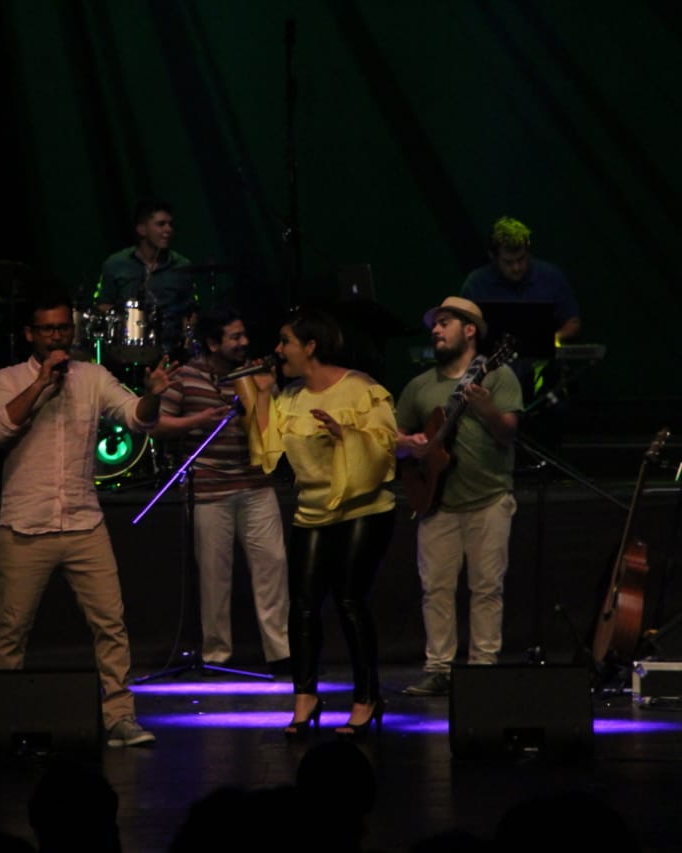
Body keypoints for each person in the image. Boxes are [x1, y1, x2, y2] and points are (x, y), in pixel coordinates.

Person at [0, 293, 177, 748]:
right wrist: (40, 385)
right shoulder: (8, 379)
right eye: (48, 329)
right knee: (11, 630)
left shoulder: (92, 377)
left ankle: (120, 718)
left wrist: (152, 396)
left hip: (83, 522)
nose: (57, 337)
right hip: (26, 525)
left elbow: (135, 418)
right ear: (30, 334)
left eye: (63, 328)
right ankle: (2, 721)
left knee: (111, 624)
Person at [244, 308, 397, 737]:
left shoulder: (361, 389)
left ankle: (367, 698)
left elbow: (385, 449)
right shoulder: (291, 397)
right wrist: (262, 394)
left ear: (310, 346)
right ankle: (305, 697)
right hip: (311, 510)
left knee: (349, 600)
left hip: (362, 510)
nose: (278, 350)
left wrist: (345, 435)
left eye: (285, 342)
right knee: (303, 605)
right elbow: (267, 451)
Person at [396, 297, 522, 697]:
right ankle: (439, 669)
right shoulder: (420, 385)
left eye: (444, 323)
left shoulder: (498, 374)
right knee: (435, 589)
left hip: (489, 498)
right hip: (436, 502)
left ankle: (482, 669)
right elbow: (392, 437)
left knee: (486, 589)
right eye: (435, 324)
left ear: (469, 330)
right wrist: (409, 444)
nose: (435, 330)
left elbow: (508, 433)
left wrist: (486, 410)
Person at [153, 305, 290, 670]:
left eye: (244, 335)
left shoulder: (254, 374)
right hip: (209, 488)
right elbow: (157, 425)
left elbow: (274, 428)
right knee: (214, 576)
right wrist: (198, 420)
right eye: (235, 337)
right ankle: (216, 656)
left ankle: (282, 653)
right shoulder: (187, 377)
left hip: (256, 483)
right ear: (213, 344)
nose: (244, 343)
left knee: (273, 566)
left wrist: (268, 390)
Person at [94, 199, 198, 361]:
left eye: (170, 224)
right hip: (126, 349)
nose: (168, 229)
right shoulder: (116, 264)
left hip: (171, 351)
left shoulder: (182, 265)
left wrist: (188, 340)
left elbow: (190, 311)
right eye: (161, 224)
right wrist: (124, 321)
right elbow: (103, 304)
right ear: (142, 229)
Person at [461, 216, 580, 342]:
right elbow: (463, 328)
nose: (516, 267)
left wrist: (551, 340)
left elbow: (573, 322)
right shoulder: (476, 284)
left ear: (528, 252)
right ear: (493, 257)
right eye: (508, 262)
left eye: (521, 259)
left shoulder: (552, 277)